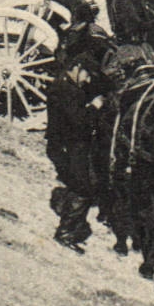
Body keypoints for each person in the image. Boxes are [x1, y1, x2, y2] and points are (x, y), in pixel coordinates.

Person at [45, 53, 111, 251]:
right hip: (68, 147)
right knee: (83, 188)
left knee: (79, 185)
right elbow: (79, 122)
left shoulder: (64, 86)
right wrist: (94, 107)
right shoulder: (68, 91)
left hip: (64, 146)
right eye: (86, 74)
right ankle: (65, 232)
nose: (87, 80)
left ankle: (68, 217)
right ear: (77, 67)